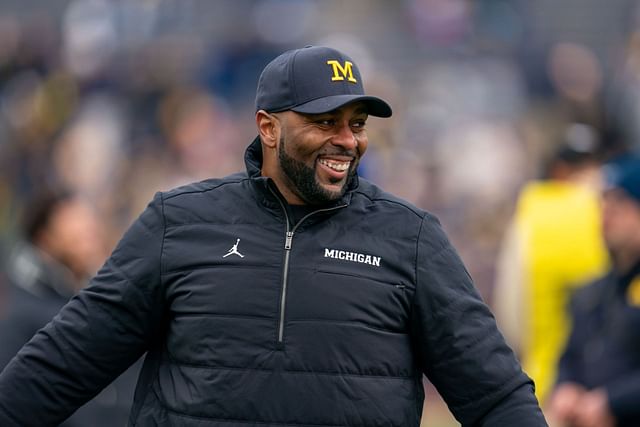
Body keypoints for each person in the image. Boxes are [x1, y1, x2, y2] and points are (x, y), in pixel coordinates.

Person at [0, 45, 547, 426]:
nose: (347, 141)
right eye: (325, 122)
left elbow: (495, 394)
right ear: (268, 127)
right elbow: (64, 362)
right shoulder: (179, 223)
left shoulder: (412, 238)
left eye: (356, 124)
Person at [0, 190, 140, 426]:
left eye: (90, 231)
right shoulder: (17, 308)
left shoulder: (101, 298)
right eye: (77, 233)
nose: (89, 237)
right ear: (44, 236)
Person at [493, 124, 610, 406]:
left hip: (545, 386)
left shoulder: (531, 211)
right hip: (606, 392)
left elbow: (510, 311)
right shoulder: (610, 208)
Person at [547, 155, 640, 427]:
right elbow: (570, 355)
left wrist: (612, 402)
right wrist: (566, 387)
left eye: (620, 202)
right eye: (604, 202)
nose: (607, 213)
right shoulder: (592, 292)